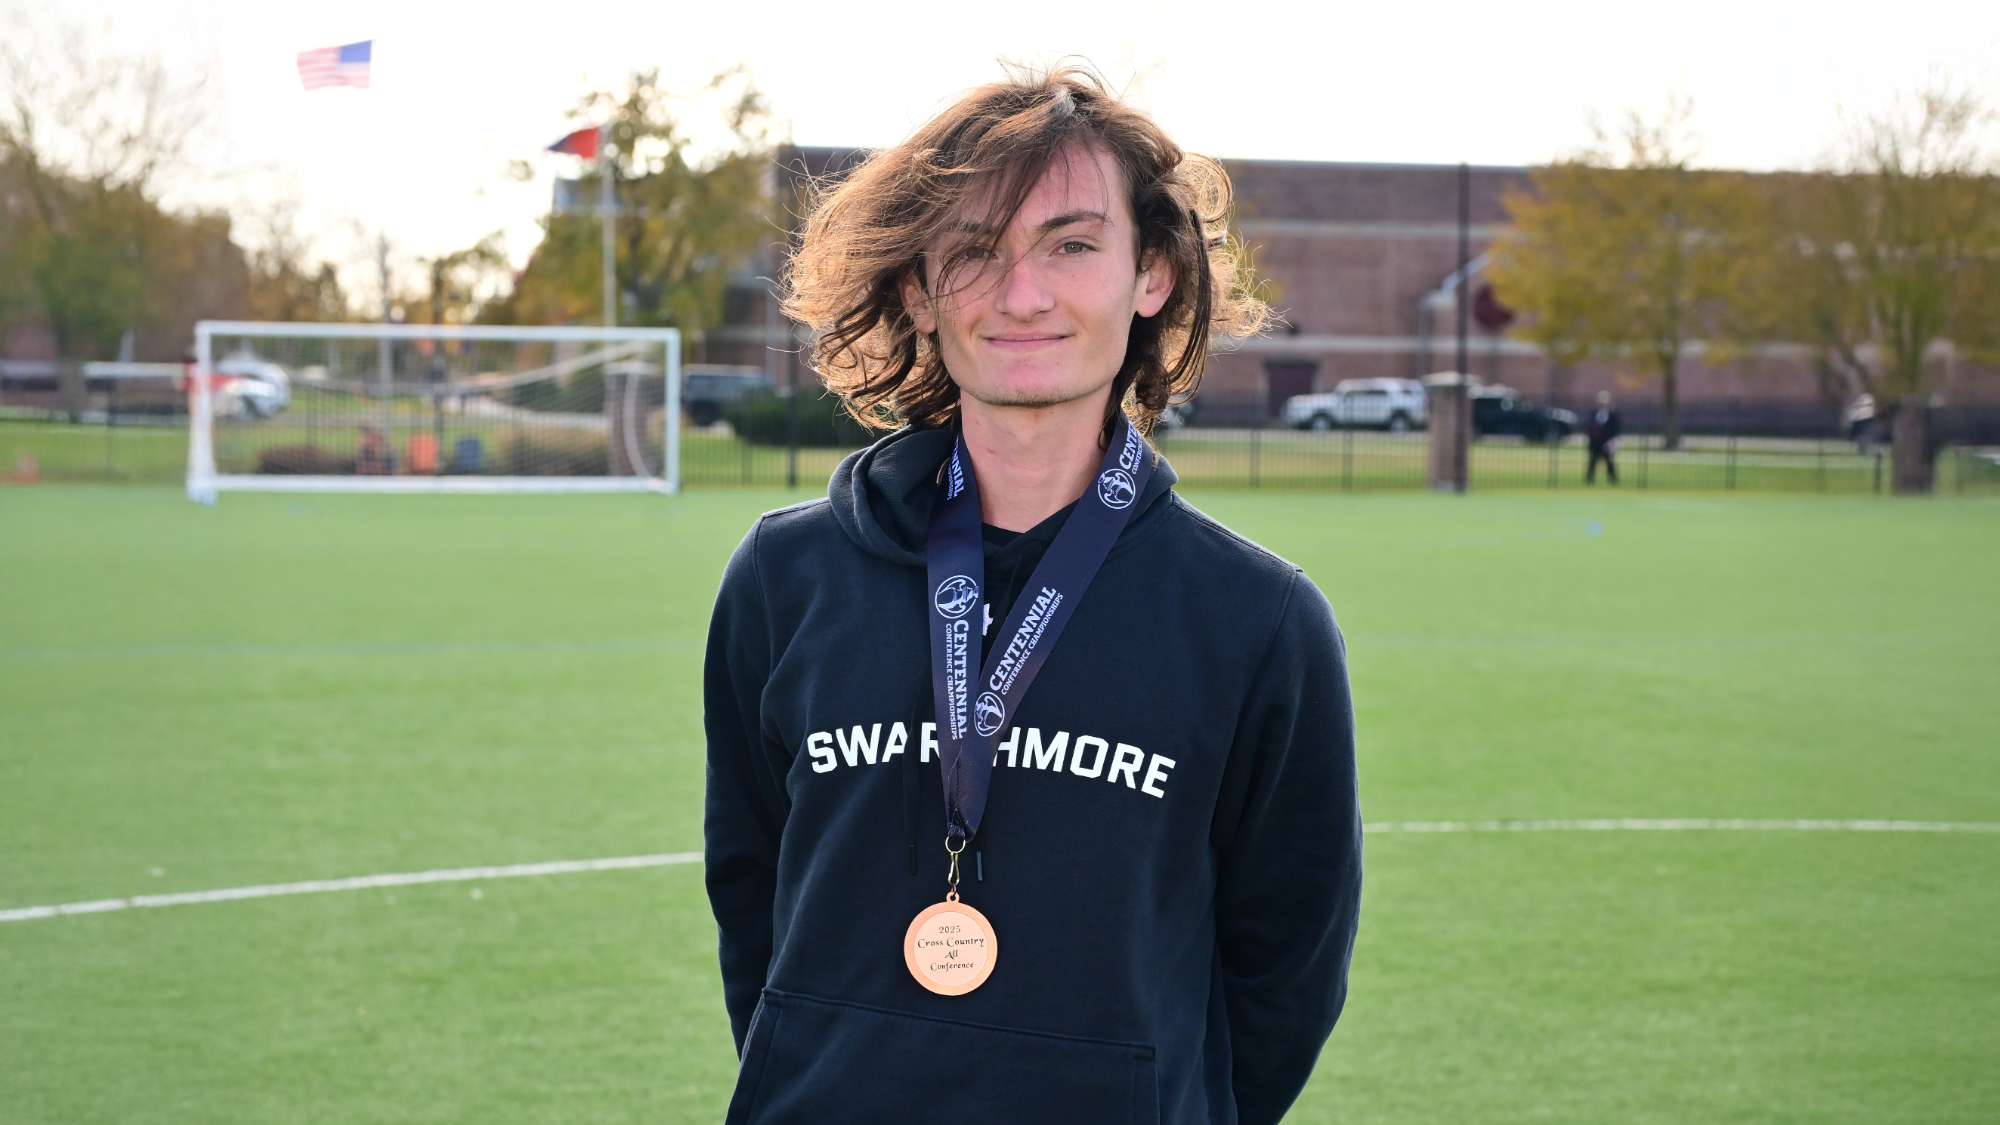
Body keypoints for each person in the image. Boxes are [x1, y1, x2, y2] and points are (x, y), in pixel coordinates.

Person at [703, 66, 1361, 1125]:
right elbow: (750, 903)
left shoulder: (1256, 623)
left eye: (1069, 243)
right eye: (972, 250)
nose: (1020, 295)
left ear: (1149, 275)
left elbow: (1284, 971)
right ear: (916, 287)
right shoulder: (786, 581)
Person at [1586, 390, 1622, 484]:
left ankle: (1613, 479)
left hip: (1606, 442)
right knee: (1592, 462)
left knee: (1609, 462)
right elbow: (1590, 427)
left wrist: (1611, 442)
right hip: (1595, 443)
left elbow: (1616, 429)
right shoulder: (1594, 413)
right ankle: (1589, 479)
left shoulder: (1612, 415)